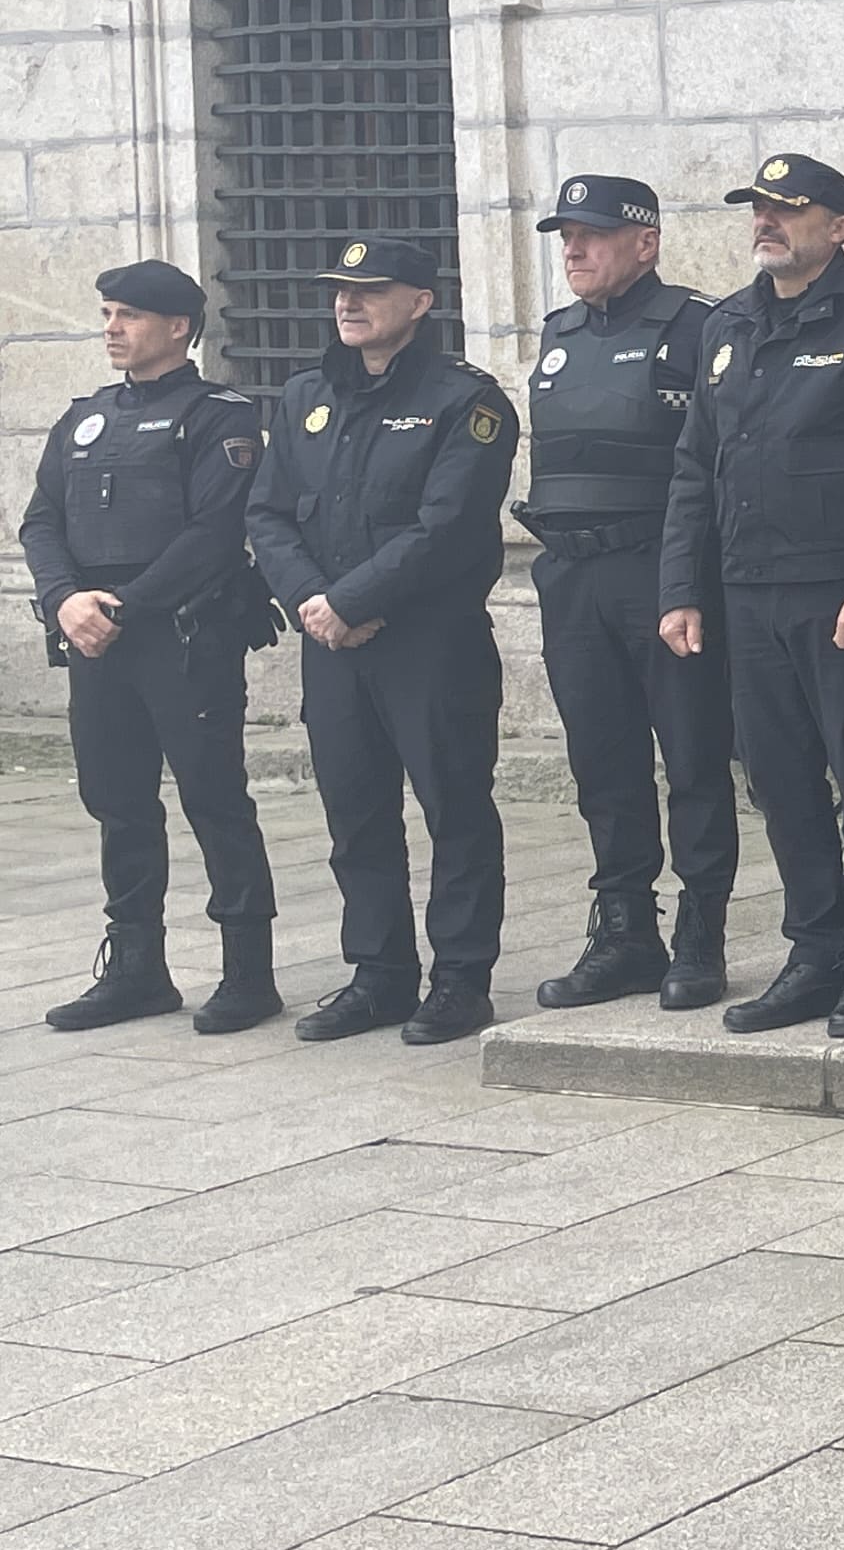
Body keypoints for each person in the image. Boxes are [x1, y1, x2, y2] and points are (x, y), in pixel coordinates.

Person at [664, 153, 844, 1039]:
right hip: (749, 595)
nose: (767, 221)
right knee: (780, 781)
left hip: (842, 598)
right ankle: (813, 950)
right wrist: (683, 588)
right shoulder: (729, 324)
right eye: (761, 208)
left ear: (841, 226)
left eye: (790, 208)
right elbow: (696, 469)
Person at [245, 237, 520, 1046]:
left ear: (421, 302)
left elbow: (447, 526)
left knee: (455, 807)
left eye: (371, 289)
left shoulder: (465, 400)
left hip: (429, 642)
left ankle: (462, 980)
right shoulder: (302, 398)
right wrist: (312, 601)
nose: (349, 304)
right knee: (356, 814)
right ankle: (379, 974)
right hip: (331, 643)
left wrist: (354, 598)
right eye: (339, 289)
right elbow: (266, 513)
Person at [21, 262, 281, 1036]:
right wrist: (65, 600)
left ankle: (247, 972)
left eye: (127, 315)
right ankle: (137, 968)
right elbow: (40, 521)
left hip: (180, 636)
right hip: (95, 636)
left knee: (213, 797)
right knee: (117, 801)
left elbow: (212, 534)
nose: (111, 328)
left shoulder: (217, 416)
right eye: (107, 313)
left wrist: (124, 607)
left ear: (178, 327)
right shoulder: (85, 417)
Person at [519, 175, 737, 1015]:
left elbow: (713, 462)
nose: (573, 250)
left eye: (593, 235)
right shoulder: (558, 331)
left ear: (645, 242)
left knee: (691, 759)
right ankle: (623, 932)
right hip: (571, 576)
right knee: (602, 766)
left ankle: (700, 932)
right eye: (565, 235)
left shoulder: (696, 325)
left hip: (659, 573)